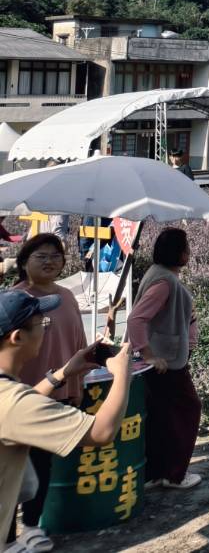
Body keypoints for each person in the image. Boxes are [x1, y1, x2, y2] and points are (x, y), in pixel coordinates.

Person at [0, 289, 133, 552]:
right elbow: (101, 432)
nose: (45, 329)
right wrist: (122, 375)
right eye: (42, 323)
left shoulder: (8, 394)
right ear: (17, 337)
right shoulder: (12, 401)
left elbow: (19, 409)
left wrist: (63, 373)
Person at [12, 235, 88, 551]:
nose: (50, 262)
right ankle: (7, 534)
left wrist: (77, 386)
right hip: (20, 397)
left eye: (56, 256)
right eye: (41, 256)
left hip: (58, 393)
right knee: (11, 470)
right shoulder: (15, 300)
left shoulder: (66, 296)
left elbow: (78, 345)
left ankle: (30, 526)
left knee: (42, 465)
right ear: (23, 262)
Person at [127, 227, 202, 491]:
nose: (189, 252)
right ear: (179, 253)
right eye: (186, 248)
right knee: (187, 411)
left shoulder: (160, 274)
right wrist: (148, 354)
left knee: (161, 416)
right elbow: (136, 319)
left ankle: (154, 473)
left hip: (166, 359)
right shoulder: (164, 282)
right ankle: (174, 474)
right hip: (165, 363)